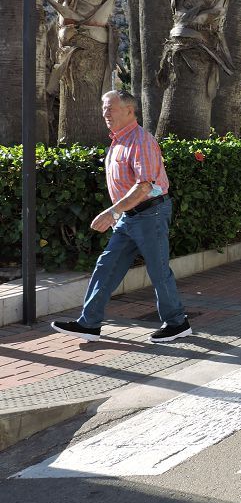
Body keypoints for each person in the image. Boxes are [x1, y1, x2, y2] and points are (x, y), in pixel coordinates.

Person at [51, 91, 191, 344]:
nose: (105, 113)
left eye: (110, 108)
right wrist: (119, 213)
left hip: (150, 213)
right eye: (104, 108)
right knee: (107, 266)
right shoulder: (118, 141)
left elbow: (144, 186)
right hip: (129, 216)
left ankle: (177, 323)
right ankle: (89, 323)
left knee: (158, 271)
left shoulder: (140, 140)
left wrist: (113, 211)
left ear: (129, 110)